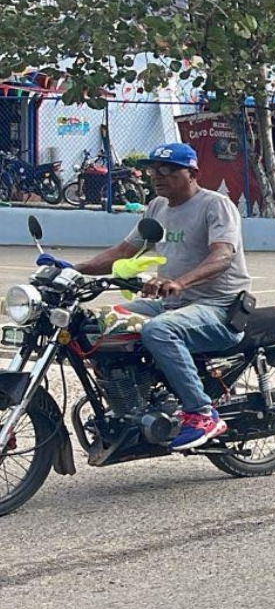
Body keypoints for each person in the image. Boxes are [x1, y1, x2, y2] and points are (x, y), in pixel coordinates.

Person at [73, 142, 250, 450]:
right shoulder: (157, 206)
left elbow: (222, 256)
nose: (158, 176)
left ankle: (202, 412)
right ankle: (130, 401)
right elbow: (125, 250)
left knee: (159, 330)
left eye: (168, 170)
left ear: (192, 173)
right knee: (101, 325)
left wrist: (181, 282)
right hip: (173, 303)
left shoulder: (215, 205)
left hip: (219, 307)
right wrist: (72, 270)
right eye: (153, 170)